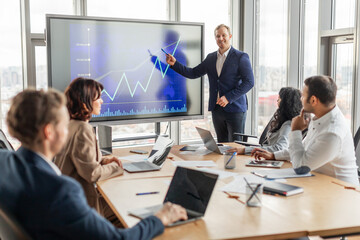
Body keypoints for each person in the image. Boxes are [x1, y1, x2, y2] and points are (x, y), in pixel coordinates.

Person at [0, 88, 187, 239]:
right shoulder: (61, 191)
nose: (67, 131)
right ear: (49, 132)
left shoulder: (4, 162)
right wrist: (160, 218)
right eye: (64, 125)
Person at [252, 76, 359, 185]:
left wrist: (295, 131)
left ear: (313, 100)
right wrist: (274, 155)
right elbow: (303, 149)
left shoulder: (332, 132)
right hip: (321, 183)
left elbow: (301, 167)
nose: (300, 99)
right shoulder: (320, 118)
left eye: (303, 96)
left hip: (341, 192)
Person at [165, 24, 254, 142]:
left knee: (236, 147)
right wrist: (174, 64)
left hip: (235, 110)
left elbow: (249, 82)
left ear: (230, 36)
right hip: (217, 110)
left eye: (224, 35)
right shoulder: (211, 58)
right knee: (221, 145)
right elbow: (192, 73)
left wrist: (228, 97)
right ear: (215, 38)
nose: (221, 38)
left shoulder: (241, 57)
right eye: (218, 36)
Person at [54, 78, 123, 219]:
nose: (102, 101)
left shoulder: (70, 125)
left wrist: (105, 161)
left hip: (66, 199)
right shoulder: (83, 129)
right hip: (80, 205)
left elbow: (78, 159)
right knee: (125, 208)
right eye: (98, 98)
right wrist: (117, 167)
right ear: (85, 102)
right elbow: (92, 174)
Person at [228, 87, 302, 155]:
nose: (277, 101)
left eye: (279, 98)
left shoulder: (288, 124)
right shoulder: (281, 118)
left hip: (271, 159)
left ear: (285, 102)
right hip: (265, 155)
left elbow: (279, 148)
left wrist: (245, 150)